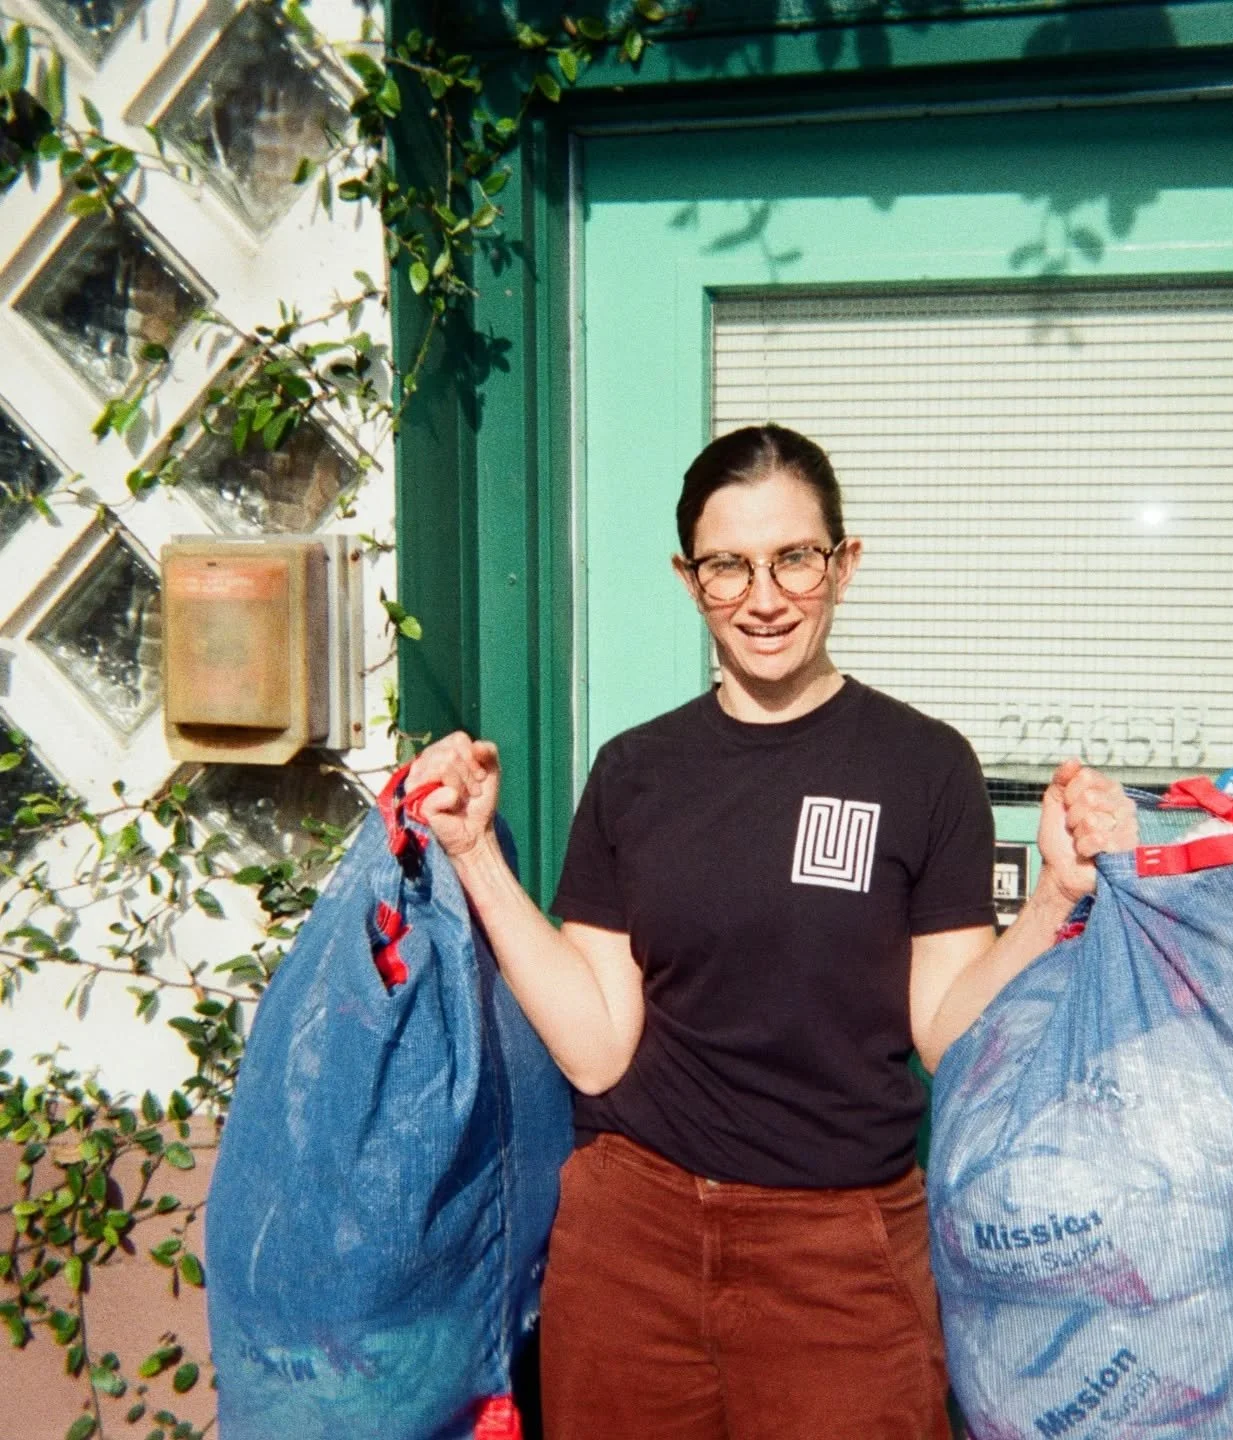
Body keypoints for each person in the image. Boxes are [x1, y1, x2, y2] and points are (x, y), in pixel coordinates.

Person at [407, 424, 1138, 1440]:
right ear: (687, 576)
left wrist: (1057, 898)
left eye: (795, 557)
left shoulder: (923, 768)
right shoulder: (634, 773)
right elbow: (596, 1043)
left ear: (844, 562)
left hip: (836, 1255)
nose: (763, 596)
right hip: (633, 1245)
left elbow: (944, 1027)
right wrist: (477, 855)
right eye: (728, 566)